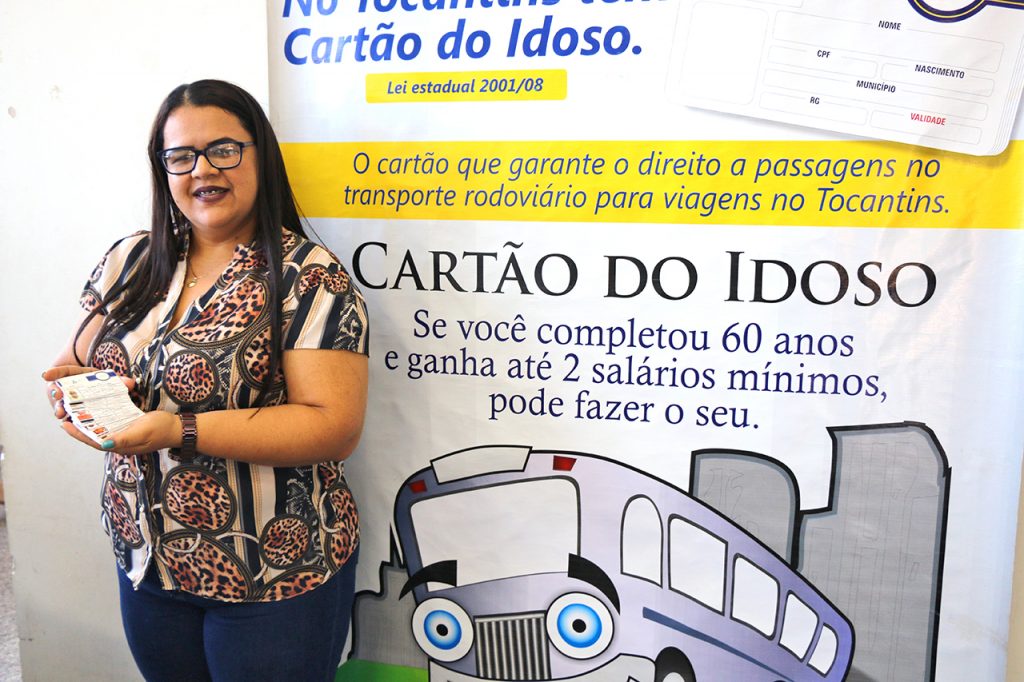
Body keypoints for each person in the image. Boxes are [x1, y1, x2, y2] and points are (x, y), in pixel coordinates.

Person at [41, 79, 369, 682]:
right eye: (181, 156)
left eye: (223, 149)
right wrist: (74, 396)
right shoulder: (130, 260)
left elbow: (333, 427)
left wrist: (178, 430)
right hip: (148, 561)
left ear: (260, 156)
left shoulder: (308, 275)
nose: (202, 170)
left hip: (274, 573)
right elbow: (75, 359)